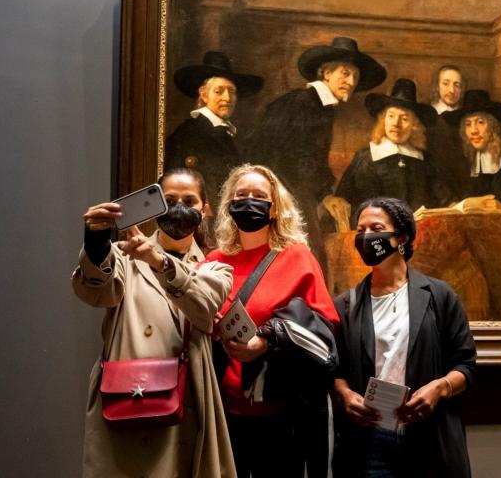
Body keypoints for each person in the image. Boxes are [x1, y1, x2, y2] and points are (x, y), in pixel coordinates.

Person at [72, 168, 235, 478]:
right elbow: (95, 291)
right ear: (156, 204)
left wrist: (158, 261)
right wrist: (95, 243)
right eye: (169, 199)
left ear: (205, 209)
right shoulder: (122, 256)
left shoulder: (215, 267)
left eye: (189, 200)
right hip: (125, 398)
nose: (178, 207)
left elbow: (203, 306)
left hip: (184, 401)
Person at [208, 164, 340, 478]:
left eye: (259, 196)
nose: (249, 201)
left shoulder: (296, 256)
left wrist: (267, 341)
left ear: (274, 208)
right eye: (241, 195)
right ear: (229, 205)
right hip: (224, 412)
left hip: (281, 413)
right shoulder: (214, 261)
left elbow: (325, 324)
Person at [333, 197, 476, 477]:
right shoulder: (346, 305)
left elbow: (466, 366)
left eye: (376, 227)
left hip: (428, 435)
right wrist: (344, 394)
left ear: (402, 238)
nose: (366, 237)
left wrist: (439, 388)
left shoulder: (439, 296)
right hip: (370, 441)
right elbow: (334, 370)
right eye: (360, 230)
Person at [247, 37, 387, 246]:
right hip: (282, 195)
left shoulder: (321, 106)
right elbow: (291, 160)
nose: (351, 82)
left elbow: (310, 160)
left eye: (355, 76)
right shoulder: (305, 103)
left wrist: (324, 196)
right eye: (345, 73)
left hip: (294, 194)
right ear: (327, 73)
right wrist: (323, 197)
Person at [333, 78, 452, 228]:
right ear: (383, 121)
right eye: (391, 116)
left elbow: (445, 198)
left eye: (404, 118)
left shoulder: (424, 160)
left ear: (414, 126)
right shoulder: (366, 158)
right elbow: (343, 200)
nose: (396, 123)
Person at [166, 51, 264, 204]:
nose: (227, 98)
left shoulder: (230, 134)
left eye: (232, 92)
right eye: (219, 91)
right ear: (204, 95)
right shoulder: (189, 132)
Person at [426, 65, 470, 196]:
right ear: (437, 86)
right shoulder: (427, 116)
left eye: (457, 85)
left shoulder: (468, 118)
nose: (451, 90)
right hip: (434, 187)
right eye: (446, 83)